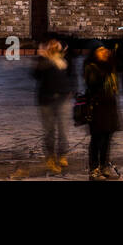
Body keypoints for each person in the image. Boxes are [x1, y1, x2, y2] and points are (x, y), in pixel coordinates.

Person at [33, 38, 72, 174]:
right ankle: (50, 157)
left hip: (63, 99)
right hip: (46, 100)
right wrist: (42, 57)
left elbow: (71, 77)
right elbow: (36, 75)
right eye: (53, 47)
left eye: (57, 47)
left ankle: (62, 155)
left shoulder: (64, 61)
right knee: (49, 132)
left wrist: (71, 90)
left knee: (63, 131)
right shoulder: (43, 61)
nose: (55, 49)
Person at [84, 44, 123, 180]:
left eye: (105, 49)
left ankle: (104, 166)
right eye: (100, 50)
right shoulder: (91, 67)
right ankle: (93, 169)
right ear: (94, 53)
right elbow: (93, 84)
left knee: (107, 138)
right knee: (96, 139)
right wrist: (106, 68)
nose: (104, 52)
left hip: (109, 106)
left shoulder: (110, 65)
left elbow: (115, 84)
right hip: (96, 106)